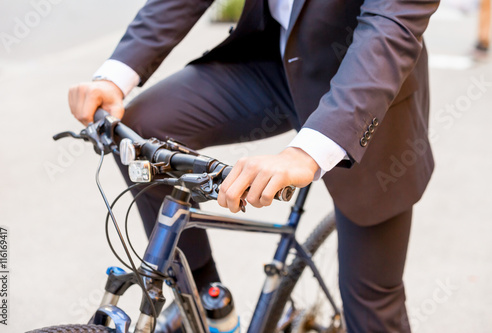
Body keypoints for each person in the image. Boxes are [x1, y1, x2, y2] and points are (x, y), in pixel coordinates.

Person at [68, 0, 439, 331]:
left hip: (364, 96)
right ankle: (206, 301)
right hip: (273, 63)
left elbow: (391, 27)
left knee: (372, 304)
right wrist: (115, 75)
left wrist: (306, 153)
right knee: (142, 130)